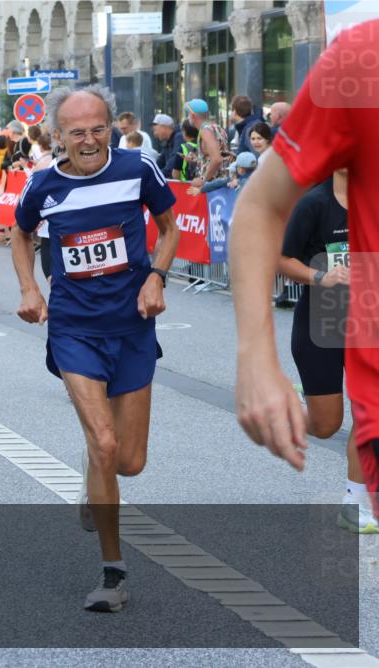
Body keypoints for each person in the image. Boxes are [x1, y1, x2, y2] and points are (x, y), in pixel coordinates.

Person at [12, 84, 179, 612]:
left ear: (112, 127)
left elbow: (170, 228)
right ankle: (113, 573)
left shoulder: (138, 169)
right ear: (57, 135)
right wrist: (30, 289)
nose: (88, 140)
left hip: (131, 327)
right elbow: (20, 235)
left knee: (128, 461)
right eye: (76, 132)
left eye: (97, 129)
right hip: (74, 328)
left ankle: (96, 466)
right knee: (107, 445)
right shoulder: (42, 185)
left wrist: (156, 277)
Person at [231, 19, 379, 522]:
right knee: (327, 421)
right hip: (330, 313)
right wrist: (256, 357)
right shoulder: (361, 59)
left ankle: (353, 499)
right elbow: (259, 212)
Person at [277, 169, 375, 533]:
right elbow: (282, 260)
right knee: (326, 424)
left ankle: (355, 500)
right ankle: (287, 413)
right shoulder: (313, 203)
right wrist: (321, 276)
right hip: (321, 321)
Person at [185, 98, 230, 187]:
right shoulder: (217, 127)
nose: (188, 117)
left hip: (213, 186)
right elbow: (219, 155)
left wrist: (203, 179)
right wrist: (197, 159)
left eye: (188, 114)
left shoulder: (205, 131)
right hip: (220, 184)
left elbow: (217, 159)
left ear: (193, 116)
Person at [188, 151, 256, 195]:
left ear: (240, 169)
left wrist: (239, 182)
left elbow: (219, 183)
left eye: (236, 167)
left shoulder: (240, 180)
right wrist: (201, 189)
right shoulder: (259, 177)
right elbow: (218, 183)